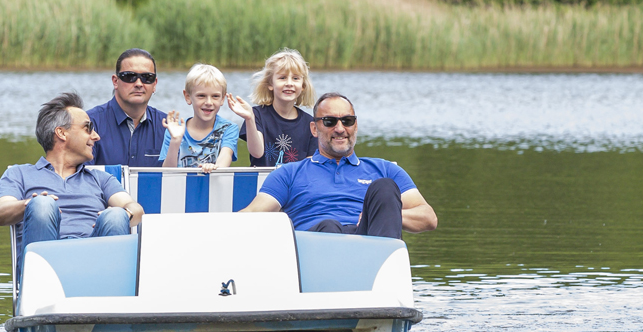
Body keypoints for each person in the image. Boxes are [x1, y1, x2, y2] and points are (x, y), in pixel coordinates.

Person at [241, 93, 437, 239]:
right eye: (330, 121)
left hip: (369, 246)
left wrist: (385, 215)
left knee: (384, 187)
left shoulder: (384, 169)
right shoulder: (289, 173)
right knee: (328, 226)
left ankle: (381, 282)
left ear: (356, 126)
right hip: (316, 247)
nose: (340, 129)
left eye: (347, 121)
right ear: (314, 129)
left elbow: (428, 217)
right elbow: (251, 214)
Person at [0, 92, 144, 275]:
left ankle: (110, 295)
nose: (96, 136)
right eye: (88, 128)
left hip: (97, 265)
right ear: (61, 133)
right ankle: (43, 292)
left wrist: (122, 213)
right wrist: (30, 204)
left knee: (117, 215)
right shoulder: (19, 174)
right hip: (45, 268)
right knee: (42, 204)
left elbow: (135, 208)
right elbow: (0, 213)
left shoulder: (101, 178)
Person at [227, 48, 318, 166]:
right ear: (270, 84)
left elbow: (310, 166)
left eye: (295, 78)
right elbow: (257, 153)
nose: (289, 83)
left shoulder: (310, 123)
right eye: (282, 78)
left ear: (303, 86)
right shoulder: (256, 115)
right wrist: (249, 119)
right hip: (263, 183)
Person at [87, 48, 167, 167]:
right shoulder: (91, 123)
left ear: (154, 84)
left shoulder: (168, 127)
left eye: (147, 77)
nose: (139, 84)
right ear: (115, 81)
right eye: (130, 76)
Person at [159, 64, 239, 173]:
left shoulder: (229, 128)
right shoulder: (175, 130)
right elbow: (167, 173)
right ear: (188, 97)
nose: (208, 102)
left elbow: (226, 157)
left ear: (222, 99)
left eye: (215, 96)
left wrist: (215, 168)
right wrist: (175, 141)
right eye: (201, 96)